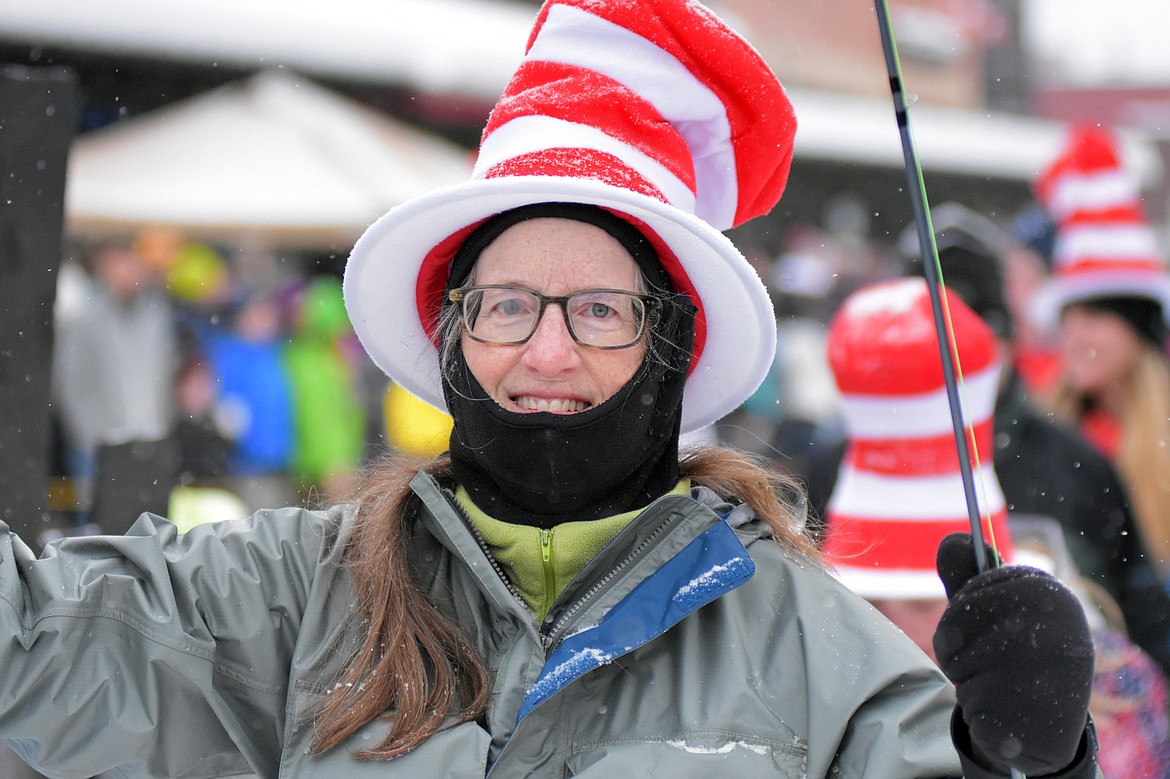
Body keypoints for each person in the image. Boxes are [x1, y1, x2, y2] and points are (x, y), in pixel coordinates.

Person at [3, 1, 1098, 777]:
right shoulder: (290, 598)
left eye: (603, 310)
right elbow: (30, 649)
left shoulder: (809, 645)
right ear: (454, 331)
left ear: (668, 347)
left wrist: (1032, 755)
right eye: (508, 303)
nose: (548, 353)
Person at [820, 276, 1170, 776]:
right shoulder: (818, 691)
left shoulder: (1110, 688)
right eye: (870, 604)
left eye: (921, 601)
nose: (896, 626)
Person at [808, 200, 1170, 675]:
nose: (951, 359)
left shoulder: (1075, 463)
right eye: (933, 339)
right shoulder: (835, 463)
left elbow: (1142, 616)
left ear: (1005, 339)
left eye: (973, 336)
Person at [1030, 124, 1170, 580]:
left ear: (1138, 333)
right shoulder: (1038, 431)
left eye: (1093, 317)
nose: (1073, 336)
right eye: (1068, 318)